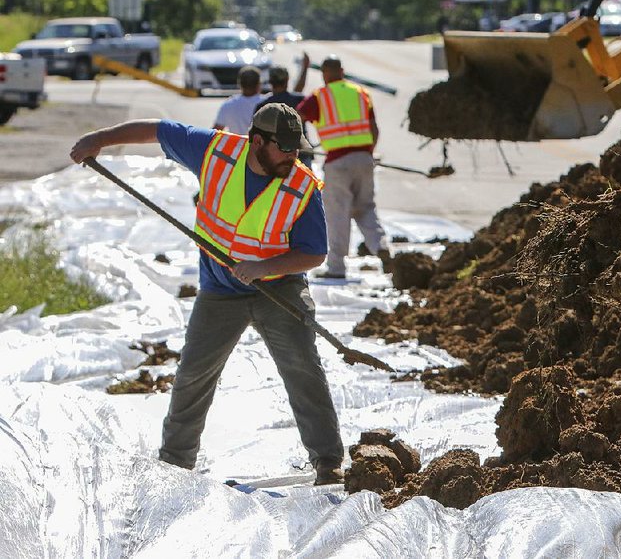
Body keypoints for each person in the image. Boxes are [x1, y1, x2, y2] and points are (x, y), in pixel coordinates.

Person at [69, 103, 345, 485]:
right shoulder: (216, 152)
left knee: (303, 370)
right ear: (257, 141)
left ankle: (328, 461)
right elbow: (158, 128)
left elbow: (314, 253)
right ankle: (174, 463)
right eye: (284, 147)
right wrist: (100, 139)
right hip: (220, 293)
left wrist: (263, 268)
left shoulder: (301, 186)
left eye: (295, 146)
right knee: (193, 375)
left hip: (279, 289)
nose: (293, 154)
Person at [298, 55, 391, 279]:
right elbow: (374, 129)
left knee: (338, 214)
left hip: (337, 163)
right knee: (366, 208)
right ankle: (381, 248)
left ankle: (337, 267)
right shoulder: (361, 93)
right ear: (342, 71)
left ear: (324, 74)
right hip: (364, 159)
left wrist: (302, 144)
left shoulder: (320, 97)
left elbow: (297, 114)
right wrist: (368, 153)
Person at [256, 52, 314, 167]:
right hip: (301, 157)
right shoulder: (298, 100)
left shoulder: (263, 105)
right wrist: (305, 68)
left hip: (274, 159)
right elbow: (297, 92)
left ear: (270, 81)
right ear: (287, 80)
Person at [212, 65, 265, 135]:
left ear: (239, 84)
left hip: (238, 145)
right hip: (259, 145)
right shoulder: (266, 103)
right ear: (259, 84)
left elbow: (216, 131)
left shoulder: (228, 104)